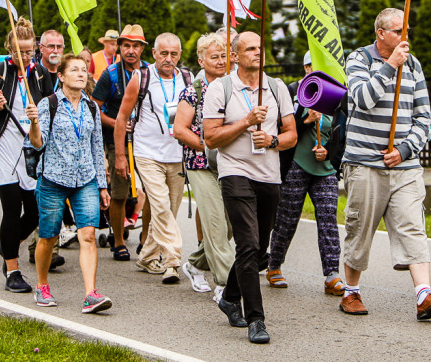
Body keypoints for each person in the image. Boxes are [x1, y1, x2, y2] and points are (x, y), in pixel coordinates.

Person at [339, 7, 431, 321]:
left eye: (407, 31)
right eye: (398, 31)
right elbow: (362, 98)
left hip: (404, 166)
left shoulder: (413, 65)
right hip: (364, 163)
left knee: (413, 227)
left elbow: (423, 118)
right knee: (359, 229)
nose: (405, 38)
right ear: (380, 33)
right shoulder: (359, 59)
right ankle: (350, 292)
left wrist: (404, 149)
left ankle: (423, 295)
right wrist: (389, 66)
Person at [202, 31, 297, 344]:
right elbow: (211, 137)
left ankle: (229, 297)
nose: (258, 53)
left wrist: (271, 140)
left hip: (268, 175)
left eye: (261, 48)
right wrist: (245, 122)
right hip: (234, 172)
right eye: (251, 48)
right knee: (246, 245)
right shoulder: (221, 88)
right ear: (236, 55)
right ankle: (256, 319)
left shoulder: (276, 87)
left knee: (258, 249)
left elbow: (291, 135)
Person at [28, 53, 111, 313]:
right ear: (61, 76)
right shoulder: (47, 104)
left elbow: (97, 147)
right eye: (74, 69)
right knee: (48, 236)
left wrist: (102, 184)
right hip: (53, 178)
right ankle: (42, 285)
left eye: (84, 70)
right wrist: (33, 123)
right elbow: (37, 144)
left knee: (87, 234)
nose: (81, 73)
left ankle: (91, 294)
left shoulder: (91, 107)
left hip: (85, 178)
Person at [0, 17, 45, 293]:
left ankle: (8, 244)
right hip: (3, 146)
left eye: (29, 51)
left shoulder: (40, 75)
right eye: (19, 52)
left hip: (30, 145)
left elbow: (49, 106)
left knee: (35, 211)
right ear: (9, 49)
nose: (25, 56)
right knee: (12, 208)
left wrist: (39, 117)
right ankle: (12, 271)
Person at [114, 32, 191, 284]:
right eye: (164, 53)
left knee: (168, 209)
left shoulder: (188, 80)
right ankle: (172, 261)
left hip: (177, 154)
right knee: (160, 206)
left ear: (179, 55)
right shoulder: (141, 77)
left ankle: (147, 255)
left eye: (174, 54)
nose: (169, 59)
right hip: (147, 153)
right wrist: (120, 156)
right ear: (154, 54)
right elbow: (122, 118)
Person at [267, 51, 344, 296]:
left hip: (325, 169)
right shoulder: (292, 92)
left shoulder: (336, 95)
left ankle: (332, 275)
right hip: (296, 165)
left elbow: (341, 134)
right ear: (307, 68)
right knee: (287, 218)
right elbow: (282, 128)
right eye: (315, 66)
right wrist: (307, 120)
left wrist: (328, 152)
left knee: (328, 220)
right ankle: (274, 265)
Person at [172, 32, 233, 297]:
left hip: (230, 164)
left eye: (224, 56)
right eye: (214, 57)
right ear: (201, 61)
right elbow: (179, 129)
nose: (220, 61)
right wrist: (207, 144)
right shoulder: (193, 91)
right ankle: (227, 286)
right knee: (216, 224)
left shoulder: (234, 88)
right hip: (199, 164)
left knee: (230, 224)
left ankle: (195, 264)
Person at [91, 24, 149, 261]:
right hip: (118, 142)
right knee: (119, 192)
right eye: (126, 46)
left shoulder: (149, 72)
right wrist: (116, 123)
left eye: (136, 46)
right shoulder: (110, 74)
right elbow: (95, 106)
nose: (131, 51)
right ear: (119, 47)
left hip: (145, 141)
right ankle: (118, 240)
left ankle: (146, 240)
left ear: (143, 49)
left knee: (152, 192)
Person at [36, 30, 65, 95]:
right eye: (51, 46)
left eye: (59, 47)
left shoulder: (67, 72)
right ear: (41, 48)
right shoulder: (34, 71)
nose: (55, 51)